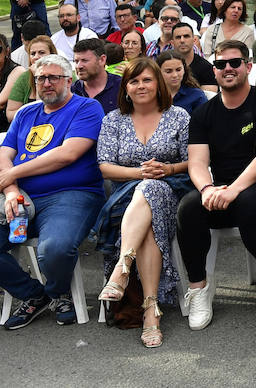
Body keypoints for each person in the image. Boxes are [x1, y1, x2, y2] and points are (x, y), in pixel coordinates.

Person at [0, 54, 106, 330]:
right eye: (41, 78)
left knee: (55, 249)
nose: (46, 83)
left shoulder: (87, 108)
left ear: (69, 80)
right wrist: (12, 189)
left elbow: (67, 154)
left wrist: (12, 174)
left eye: (53, 77)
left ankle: (58, 291)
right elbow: (3, 156)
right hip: (21, 197)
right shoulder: (27, 112)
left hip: (71, 194)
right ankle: (35, 295)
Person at [178, 39, 256, 330]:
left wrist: (233, 189)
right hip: (223, 189)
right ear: (214, 70)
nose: (227, 69)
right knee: (189, 207)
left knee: (247, 203)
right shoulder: (204, 113)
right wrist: (207, 189)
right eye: (220, 64)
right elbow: (197, 162)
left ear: (248, 66)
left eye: (234, 63)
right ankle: (199, 288)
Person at [95, 57, 192, 348]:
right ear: (125, 88)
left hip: (173, 189)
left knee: (152, 188)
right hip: (127, 197)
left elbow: (195, 160)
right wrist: (140, 173)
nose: (140, 86)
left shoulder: (179, 116)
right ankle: (151, 311)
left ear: (158, 83)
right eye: (134, 81)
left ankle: (122, 268)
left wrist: (168, 169)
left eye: (147, 80)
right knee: (149, 204)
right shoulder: (113, 120)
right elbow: (105, 166)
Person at [70, 37, 121, 115]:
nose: (79, 66)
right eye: (76, 61)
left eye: (84, 61)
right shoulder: (71, 92)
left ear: (102, 60)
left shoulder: (122, 87)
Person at [156, 49, 211, 116]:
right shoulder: (152, 95)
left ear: (184, 70)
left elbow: (204, 121)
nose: (175, 75)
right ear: (159, 72)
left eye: (178, 70)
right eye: (168, 71)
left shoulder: (196, 95)